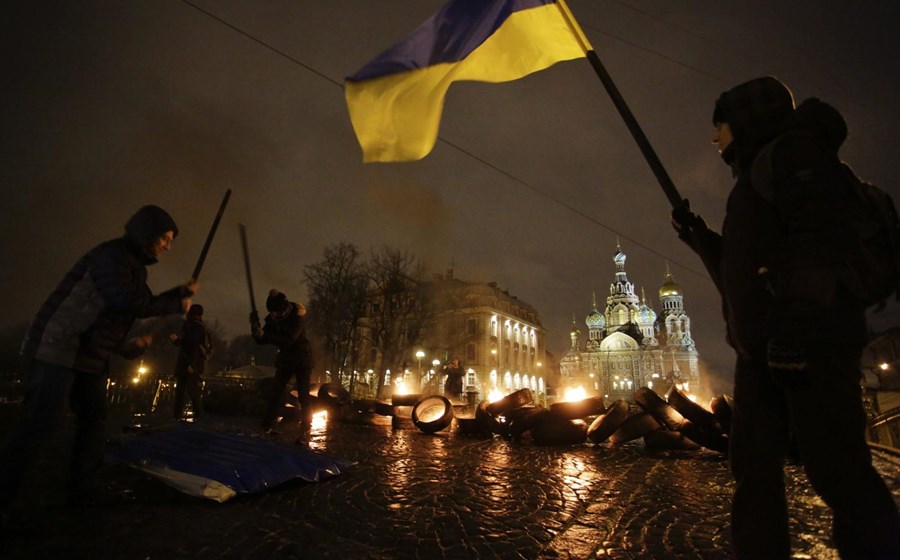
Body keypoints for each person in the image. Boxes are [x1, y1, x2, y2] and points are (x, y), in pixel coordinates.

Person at [672, 76, 900, 559]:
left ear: (748, 121)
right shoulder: (761, 169)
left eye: (723, 126)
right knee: (753, 471)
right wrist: (701, 238)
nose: (716, 139)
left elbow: (817, 244)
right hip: (764, 350)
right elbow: (753, 262)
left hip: (807, 344)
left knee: (838, 468)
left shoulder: (793, 157)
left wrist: (795, 330)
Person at [0, 205, 196, 512]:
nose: (168, 246)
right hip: (59, 345)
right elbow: (127, 300)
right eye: (165, 238)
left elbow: (114, 316)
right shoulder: (112, 256)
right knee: (39, 422)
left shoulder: (134, 269)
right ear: (147, 232)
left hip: (87, 353)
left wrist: (127, 344)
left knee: (93, 417)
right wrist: (176, 299)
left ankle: (82, 491)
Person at [251, 289, 313, 435]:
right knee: (276, 392)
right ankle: (266, 426)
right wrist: (255, 329)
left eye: (276, 313)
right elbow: (262, 340)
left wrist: (265, 334)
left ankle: (306, 429)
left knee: (303, 394)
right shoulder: (273, 318)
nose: (274, 316)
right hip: (286, 360)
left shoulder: (296, 318)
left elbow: (288, 340)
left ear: (284, 309)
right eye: (272, 313)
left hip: (303, 359)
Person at [170, 303, 212, 421]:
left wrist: (191, 364)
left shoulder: (194, 327)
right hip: (192, 363)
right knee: (188, 390)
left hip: (189, 363)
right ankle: (193, 416)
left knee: (186, 391)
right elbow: (190, 345)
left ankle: (184, 416)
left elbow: (190, 345)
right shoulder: (199, 327)